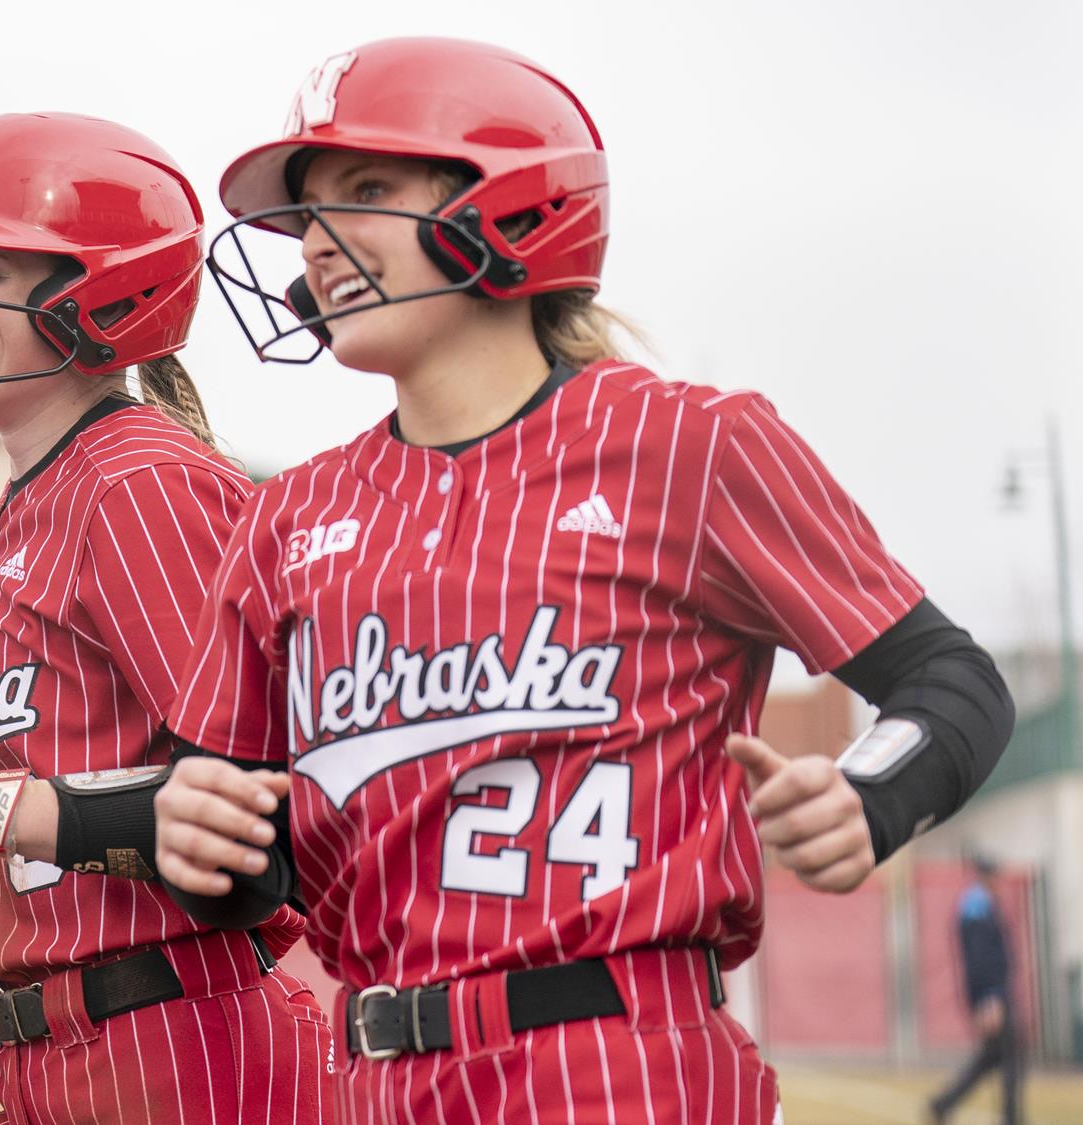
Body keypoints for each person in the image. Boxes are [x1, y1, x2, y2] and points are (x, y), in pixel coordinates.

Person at [150, 37, 1017, 1124]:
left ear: (508, 206)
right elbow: (241, 853)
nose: (314, 246)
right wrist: (191, 833)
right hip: (373, 1075)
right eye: (304, 216)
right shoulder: (286, 515)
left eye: (363, 191)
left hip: (618, 1065)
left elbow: (948, 677)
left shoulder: (683, 444)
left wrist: (869, 793)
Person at [0, 112, 335, 1124]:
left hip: (171, 1037)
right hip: (59, 1051)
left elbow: (263, 807)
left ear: (95, 295)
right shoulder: (34, 498)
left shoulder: (138, 481)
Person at [930, 854, 1022, 1124]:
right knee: (1010, 1058)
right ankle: (1011, 1118)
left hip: (992, 992)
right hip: (992, 994)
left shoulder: (977, 904)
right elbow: (980, 958)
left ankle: (943, 1103)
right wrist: (989, 998)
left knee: (992, 1057)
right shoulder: (977, 906)